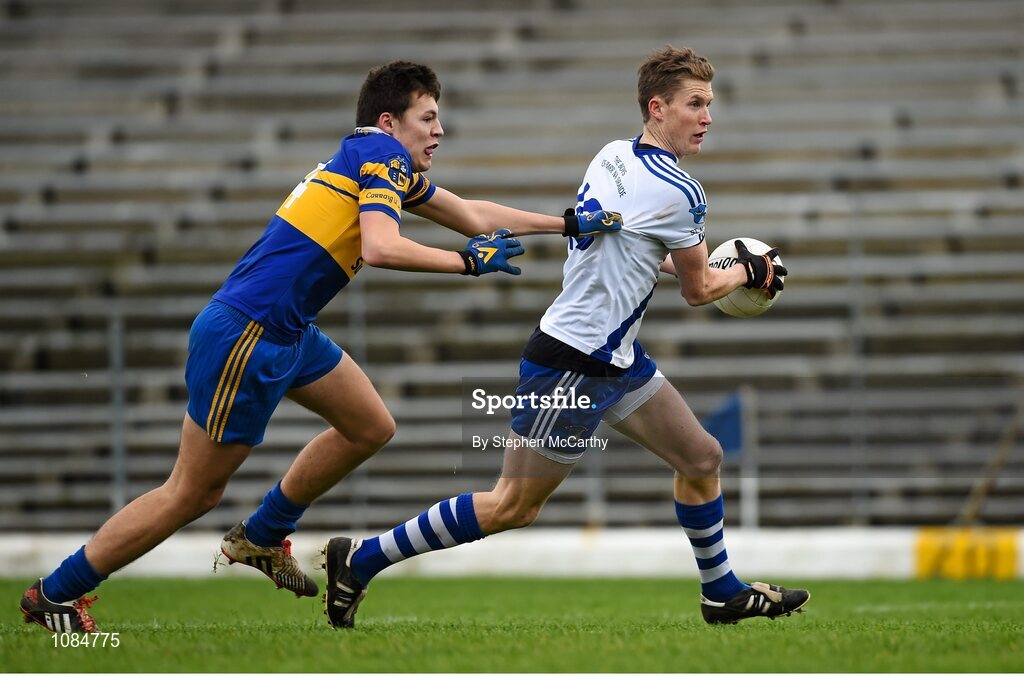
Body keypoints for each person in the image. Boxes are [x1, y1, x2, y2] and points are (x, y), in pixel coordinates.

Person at [18, 60, 622, 634]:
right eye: (428, 117)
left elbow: (470, 213)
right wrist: (466, 264)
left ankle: (262, 534)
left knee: (369, 425)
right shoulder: (382, 156)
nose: (439, 130)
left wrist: (568, 223)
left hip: (285, 328)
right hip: (248, 333)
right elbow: (383, 246)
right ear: (390, 122)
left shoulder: (376, 158)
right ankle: (55, 593)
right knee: (193, 491)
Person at [322, 46, 807, 629]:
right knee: (511, 505)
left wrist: (725, 273)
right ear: (657, 108)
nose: (707, 117)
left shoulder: (612, 157)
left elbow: (636, 255)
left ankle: (721, 592)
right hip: (576, 363)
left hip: (612, 357)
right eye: (694, 104)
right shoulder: (684, 193)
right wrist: (749, 273)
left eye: (710, 104)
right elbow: (700, 289)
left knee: (702, 456)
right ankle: (361, 560)